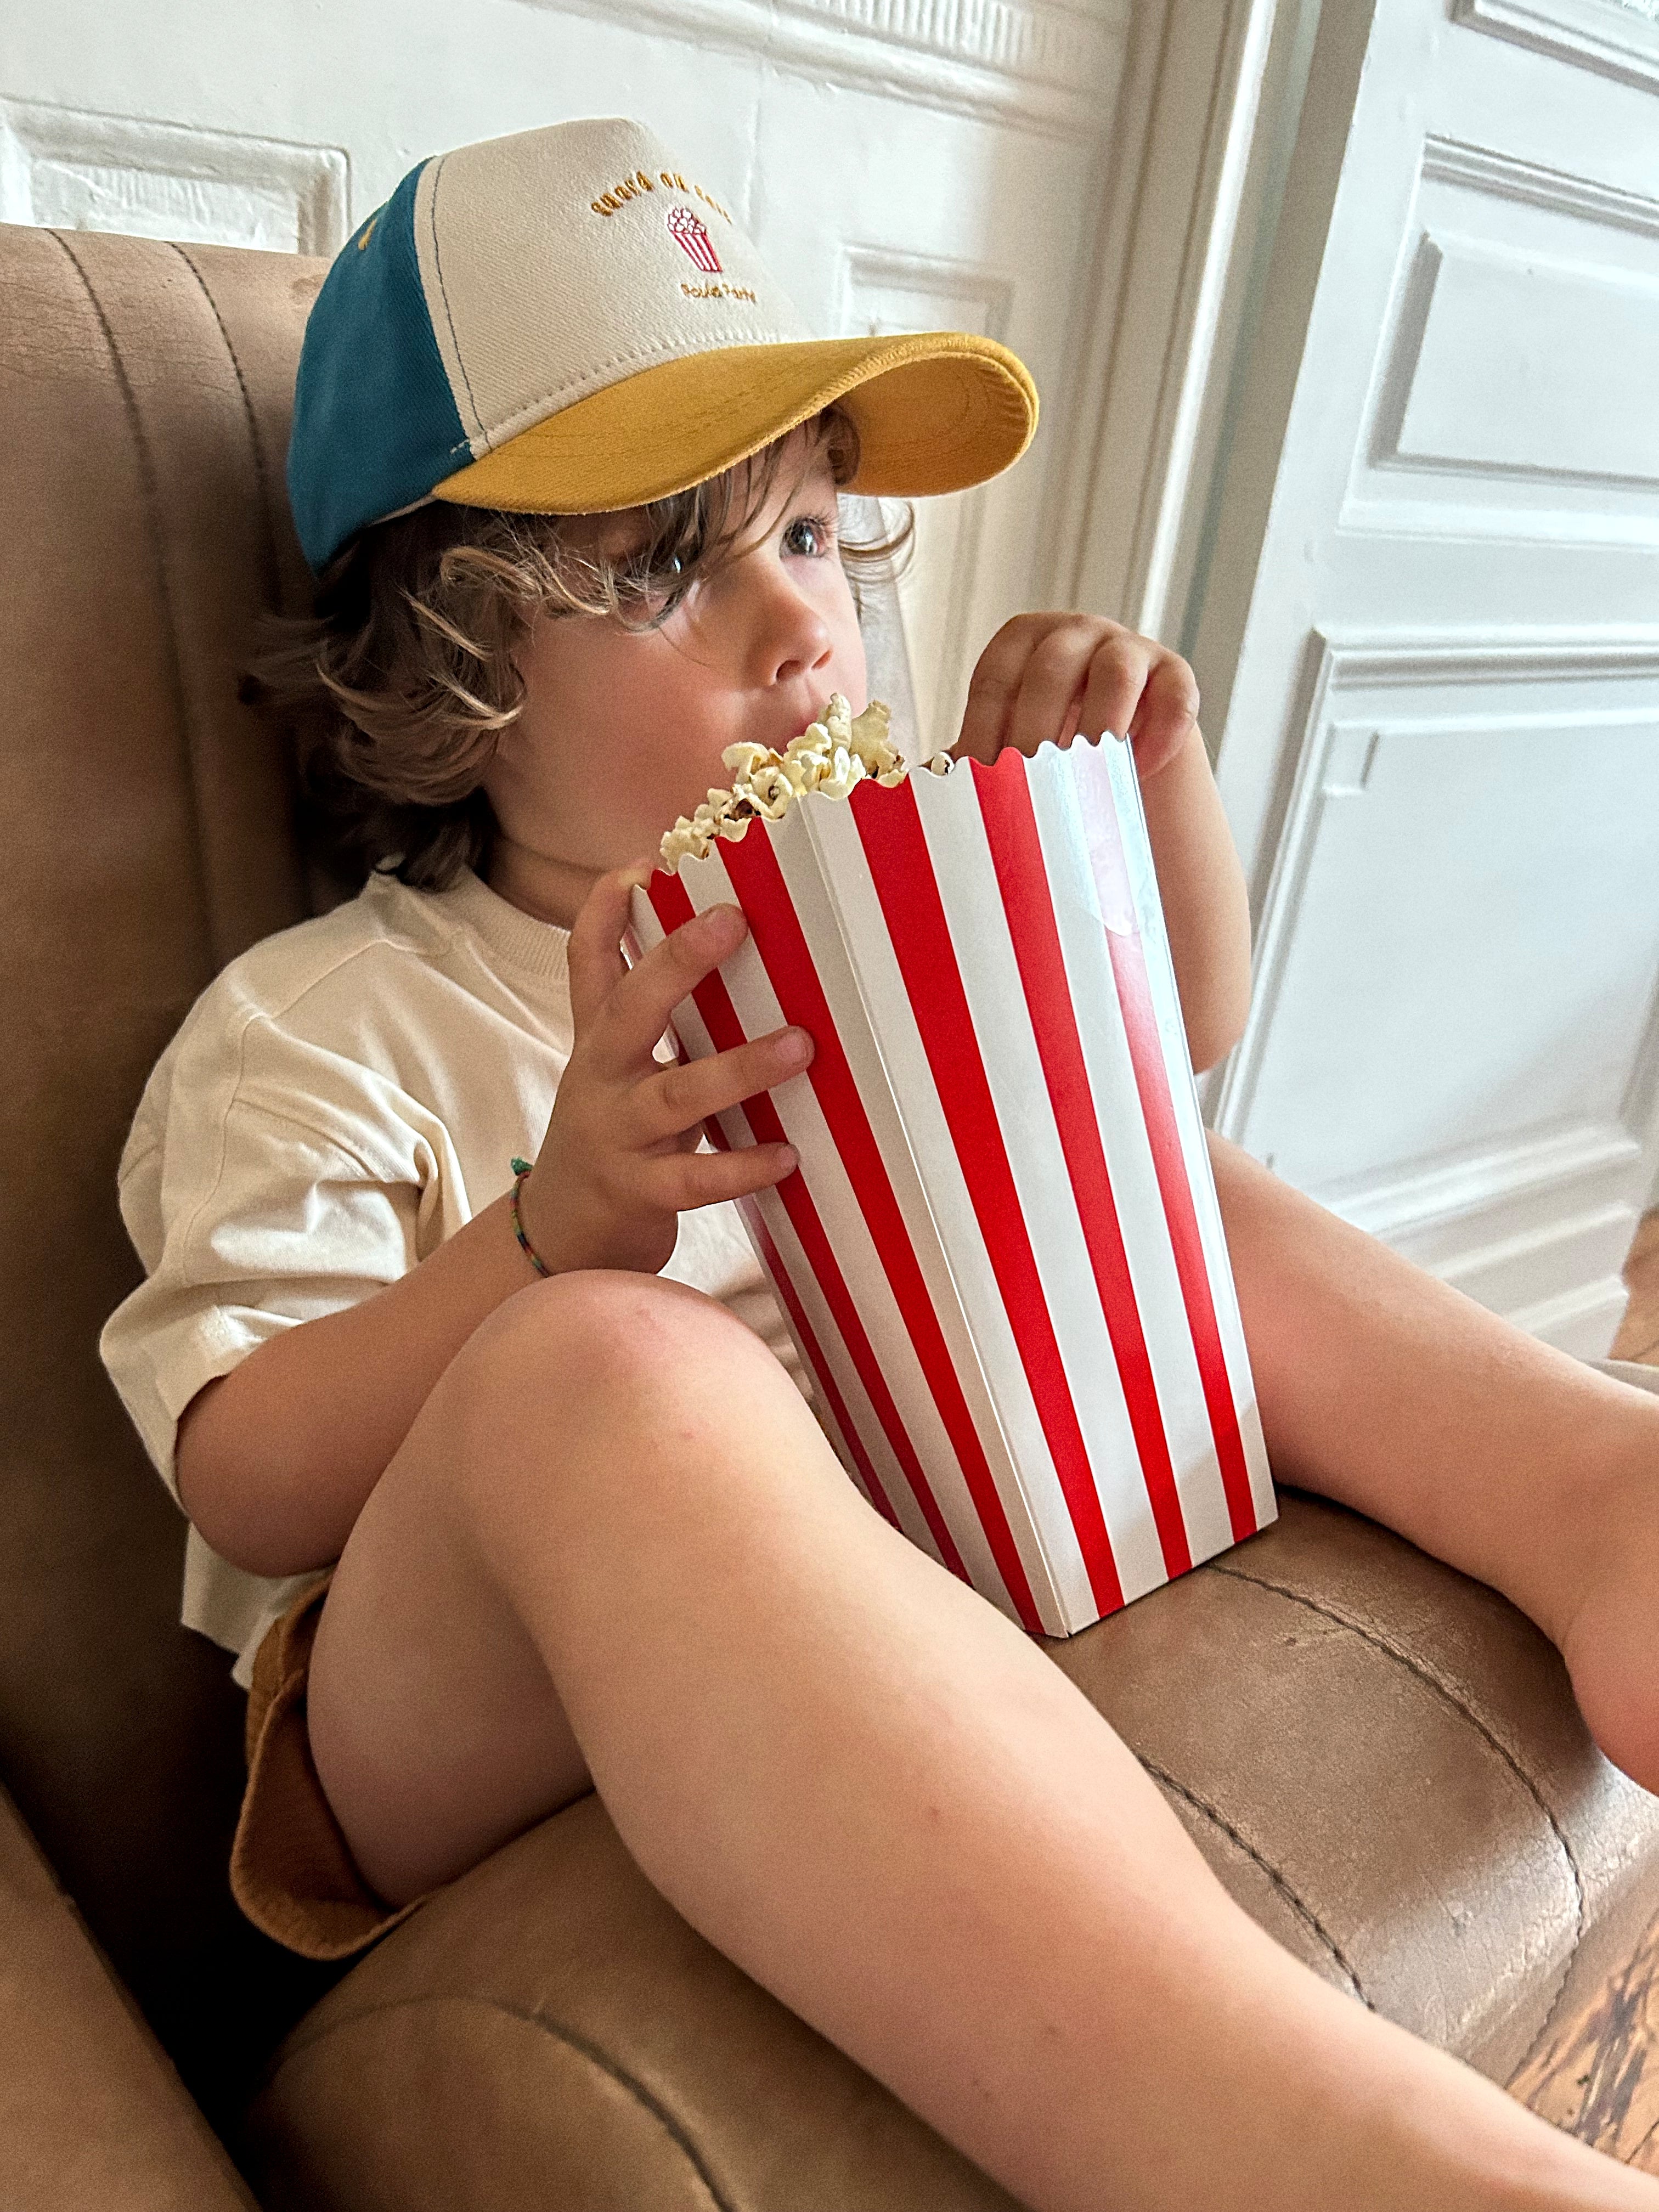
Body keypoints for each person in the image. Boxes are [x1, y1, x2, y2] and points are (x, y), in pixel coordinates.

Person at [100, 115, 1659, 2212]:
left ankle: (1601, 1502)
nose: (799, 630)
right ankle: (1267, 2130)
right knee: (611, 1375)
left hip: (889, 1512)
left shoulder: (868, 916)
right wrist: (555, 1241)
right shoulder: (321, 1021)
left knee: (1175, 1180)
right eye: (666, 567)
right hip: (448, 1684)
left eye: (816, 537)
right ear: (447, 672)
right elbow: (243, 1468)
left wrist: (1147, 793)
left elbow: (1165, 1058)